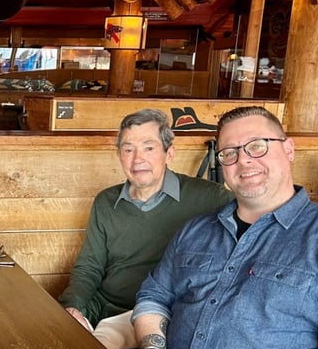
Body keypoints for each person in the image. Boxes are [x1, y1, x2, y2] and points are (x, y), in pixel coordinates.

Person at [118, 106, 318, 349]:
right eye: (230, 153)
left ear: (289, 149)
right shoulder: (196, 229)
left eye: (257, 147)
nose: (244, 160)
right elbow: (154, 296)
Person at [58, 109, 233, 335]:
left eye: (149, 148)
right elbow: (89, 267)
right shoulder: (106, 201)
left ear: (169, 153)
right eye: (128, 149)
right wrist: (73, 306)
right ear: (119, 155)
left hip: (167, 317)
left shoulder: (212, 198)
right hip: (105, 308)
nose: (137, 159)